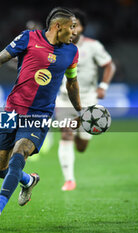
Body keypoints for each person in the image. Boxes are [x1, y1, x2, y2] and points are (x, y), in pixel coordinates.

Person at [0, 7, 82, 228]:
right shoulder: (29, 38)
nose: (75, 32)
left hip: (40, 114)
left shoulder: (72, 52)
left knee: (19, 153)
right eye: (72, 27)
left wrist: (80, 110)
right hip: (12, 110)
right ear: (58, 26)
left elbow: (72, 82)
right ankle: (28, 181)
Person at [56, 9, 116, 191]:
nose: (73, 29)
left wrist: (103, 86)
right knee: (66, 134)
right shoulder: (56, 45)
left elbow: (109, 65)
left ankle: (78, 132)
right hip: (65, 99)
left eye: (76, 25)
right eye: (69, 25)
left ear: (82, 28)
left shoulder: (92, 46)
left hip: (88, 98)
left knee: (81, 146)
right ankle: (69, 180)